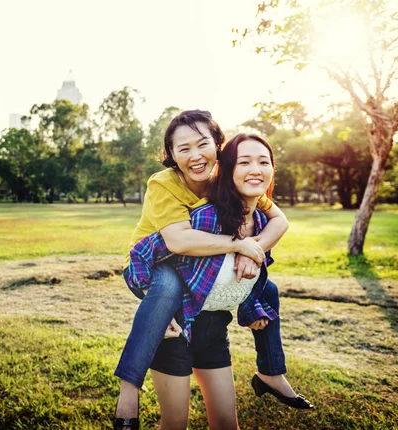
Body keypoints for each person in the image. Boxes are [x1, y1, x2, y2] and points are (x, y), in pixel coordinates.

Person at [113, 111, 291, 430]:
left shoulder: (229, 178)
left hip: (197, 287)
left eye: (202, 144)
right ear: (170, 155)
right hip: (151, 264)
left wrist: (257, 248)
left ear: (218, 145)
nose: (195, 156)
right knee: (167, 290)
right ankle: (128, 391)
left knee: (268, 288)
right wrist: (239, 244)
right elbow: (178, 240)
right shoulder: (164, 183)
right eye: (183, 149)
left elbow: (279, 218)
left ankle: (271, 372)